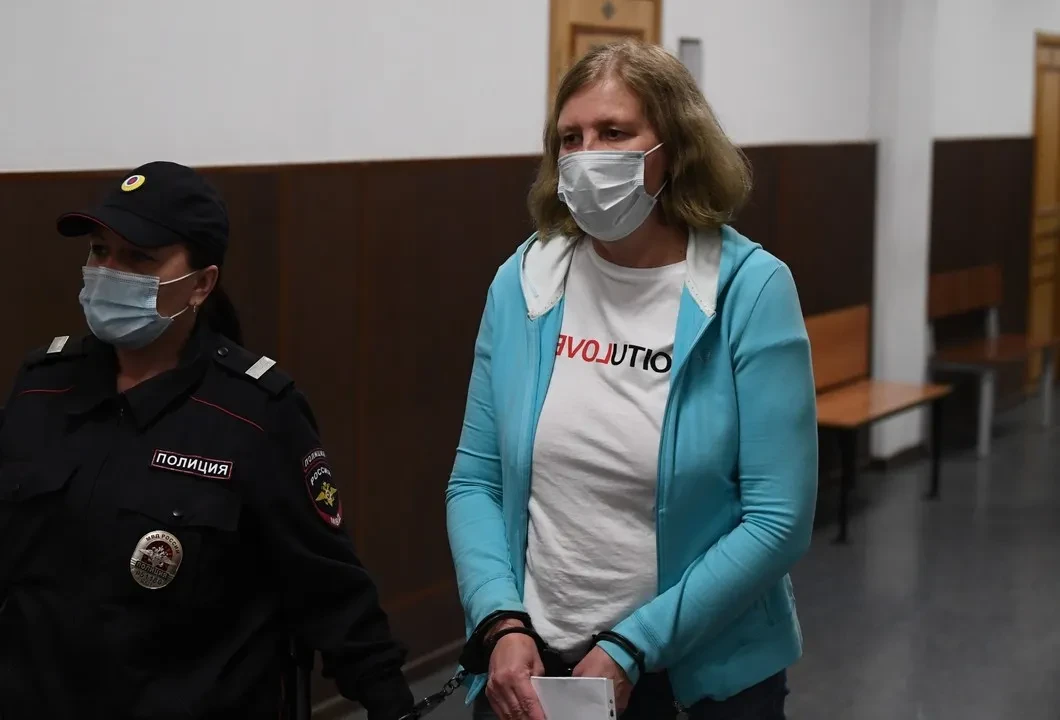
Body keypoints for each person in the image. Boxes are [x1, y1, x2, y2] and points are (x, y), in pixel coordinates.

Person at [446, 40, 818, 720]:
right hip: (536, 668)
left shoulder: (749, 289)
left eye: (614, 132)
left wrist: (632, 645)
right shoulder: (526, 282)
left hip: (698, 679)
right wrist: (499, 620)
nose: (587, 155)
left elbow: (777, 520)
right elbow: (476, 480)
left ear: (674, 149)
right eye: (571, 138)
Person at [0, 161, 415, 720]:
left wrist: (392, 706)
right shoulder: (41, 387)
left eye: (139, 258)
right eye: (100, 252)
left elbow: (329, 590)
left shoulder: (255, 413)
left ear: (201, 283)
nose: (109, 272)